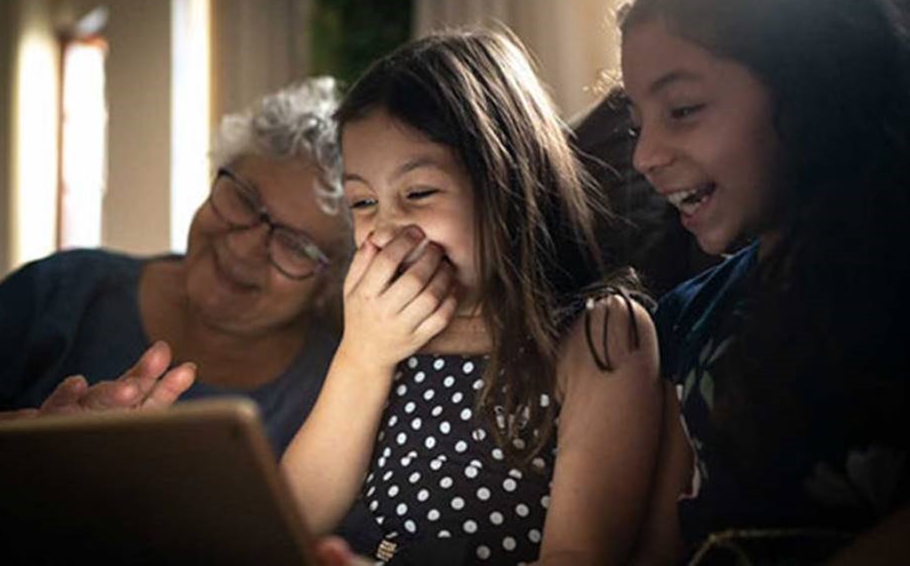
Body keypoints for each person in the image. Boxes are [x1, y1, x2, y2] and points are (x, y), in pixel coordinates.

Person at [283, 28, 663, 566]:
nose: (387, 228)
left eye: (419, 193)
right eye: (363, 201)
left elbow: (580, 554)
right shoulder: (388, 344)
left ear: (509, 183)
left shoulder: (600, 334)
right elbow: (289, 518)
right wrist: (362, 358)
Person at [619, 0, 910, 563]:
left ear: (809, 88)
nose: (644, 156)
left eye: (682, 110)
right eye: (635, 126)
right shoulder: (689, 320)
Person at [0, 76, 351, 456]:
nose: (245, 248)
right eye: (244, 199)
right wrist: (22, 436)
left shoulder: (340, 394)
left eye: (296, 245)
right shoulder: (67, 289)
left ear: (330, 279)